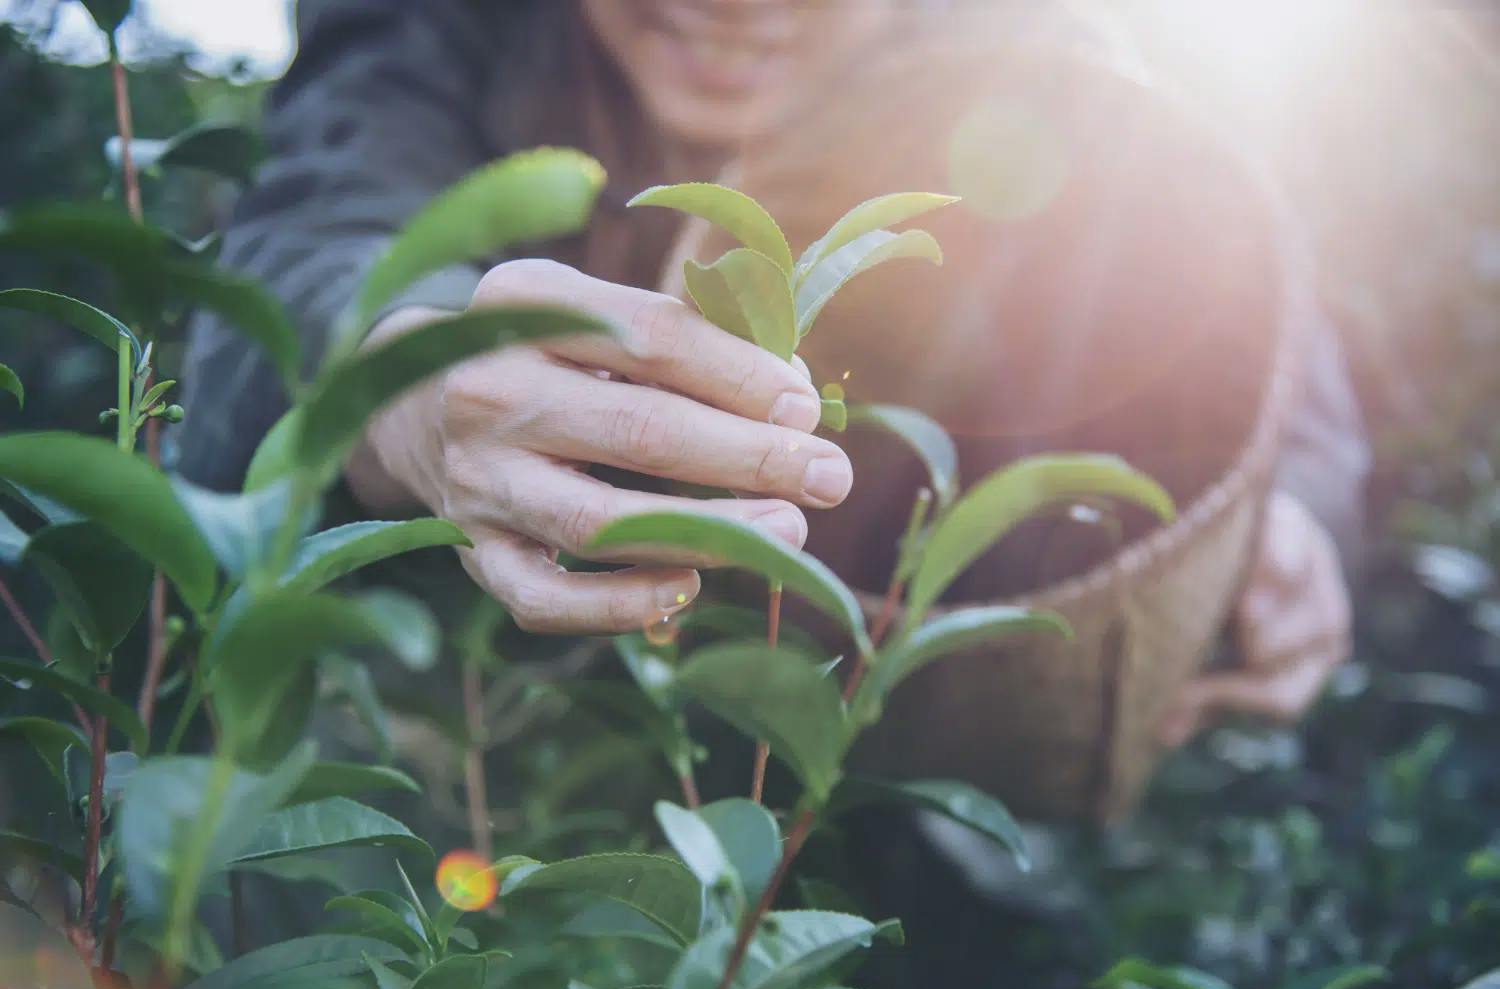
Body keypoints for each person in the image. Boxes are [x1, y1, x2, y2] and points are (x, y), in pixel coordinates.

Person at [176, 0, 1367, 759]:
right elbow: (316, 234)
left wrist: (1295, 516)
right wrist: (408, 376)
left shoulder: (1051, 45)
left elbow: (1250, 294)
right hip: (524, 717)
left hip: (920, 723)